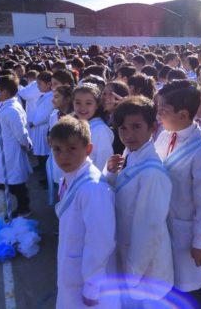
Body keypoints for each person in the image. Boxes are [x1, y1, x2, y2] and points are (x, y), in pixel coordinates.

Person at [104, 96, 174, 306]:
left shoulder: (152, 173)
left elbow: (148, 229)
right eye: (123, 128)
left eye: (136, 127)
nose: (128, 134)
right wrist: (109, 174)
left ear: (153, 127)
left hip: (145, 269)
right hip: (130, 258)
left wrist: (132, 276)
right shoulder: (130, 153)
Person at [155, 80, 201, 309]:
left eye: (162, 110)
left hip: (187, 234)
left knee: (192, 289)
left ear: (182, 114)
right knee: (169, 287)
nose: (158, 114)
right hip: (165, 228)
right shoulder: (164, 135)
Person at [50, 117, 118, 309]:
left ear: (88, 149)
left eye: (72, 148)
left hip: (89, 286)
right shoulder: (70, 178)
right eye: (57, 149)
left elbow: (101, 241)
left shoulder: (92, 189)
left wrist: (92, 286)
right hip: (73, 273)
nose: (64, 156)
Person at [0, 74, 33, 218]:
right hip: (4, 149)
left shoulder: (12, 110)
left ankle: (24, 209)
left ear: (5, 92)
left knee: (15, 183)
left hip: (11, 151)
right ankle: (20, 206)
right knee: (7, 180)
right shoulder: (6, 105)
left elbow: (21, 133)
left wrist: (27, 145)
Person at [73, 85, 114, 172]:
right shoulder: (74, 124)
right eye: (78, 103)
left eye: (88, 103)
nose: (82, 107)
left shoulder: (101, 131)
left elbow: (103, 164)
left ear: (96, 105)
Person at [29, 71, 54, 188]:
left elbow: (46, 115)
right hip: (38, 126)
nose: (38, 86)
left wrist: (34, 122)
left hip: (43, 127)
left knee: (46, 153)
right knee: (40, 150)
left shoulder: (51, 97)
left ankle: (47, 176)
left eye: (39, 83)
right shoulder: (45, 95)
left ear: (49, 84)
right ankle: (41, 166)